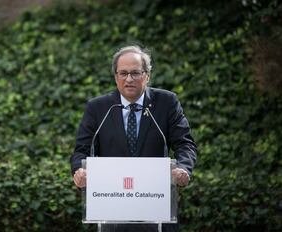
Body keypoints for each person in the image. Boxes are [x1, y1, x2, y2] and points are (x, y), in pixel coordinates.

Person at [70, 45, 197, 232]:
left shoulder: (167, 102)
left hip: (156, 208)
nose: (129, 79)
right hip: (112, 210)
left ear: (147, 75)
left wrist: (183, 168)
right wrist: (79, 171)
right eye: (123, 73)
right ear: (116, 77)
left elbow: (185, 143)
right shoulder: (98, 108)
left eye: (135, 73)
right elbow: (81, 150)